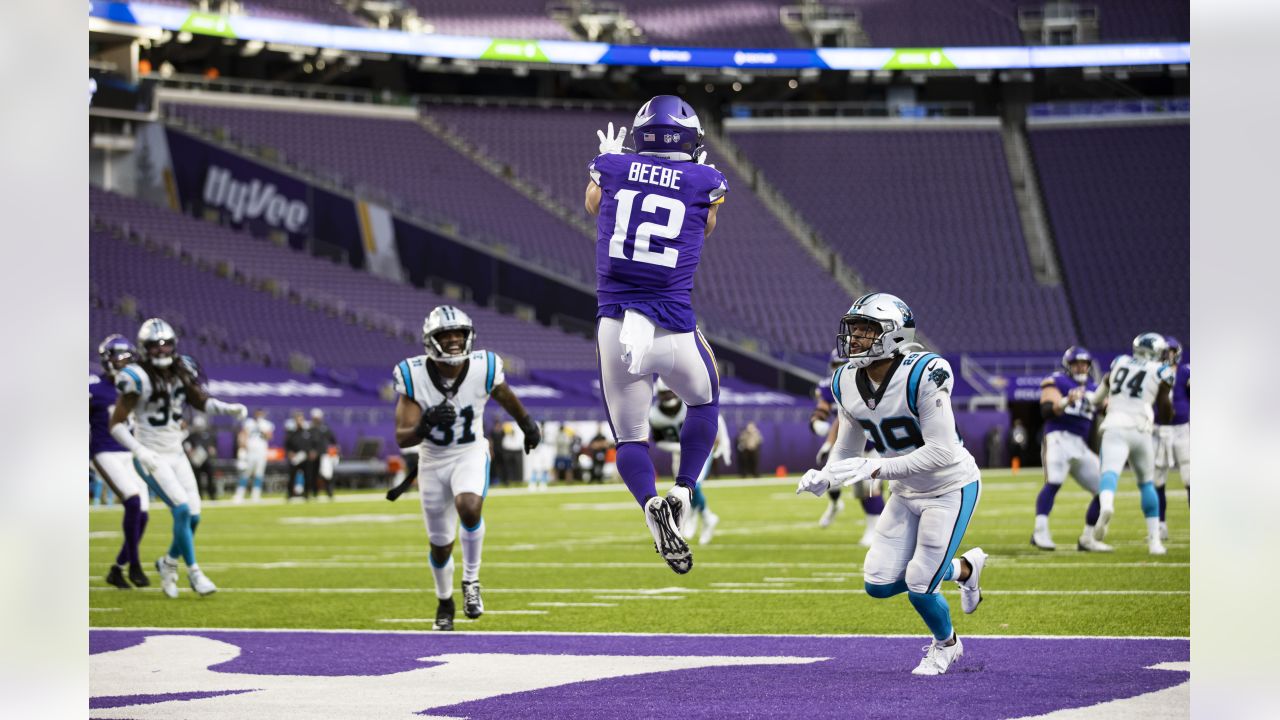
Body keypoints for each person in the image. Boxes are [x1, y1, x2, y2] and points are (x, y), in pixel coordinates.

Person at [796, 293, 986, 676]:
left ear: (895, 335)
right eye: (853, 329)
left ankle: (946, 645)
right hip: (906, 490)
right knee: (878, 583)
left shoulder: (925, 372)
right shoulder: (845, 380)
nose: (855, 339)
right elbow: (848, 447)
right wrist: (827, 477)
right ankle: (965, 569)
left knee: (919, 582)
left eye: (867, 330)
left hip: (949, 486)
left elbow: (942, 452)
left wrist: (876, 469)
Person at [585, 94, 728, 575]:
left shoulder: (611, 166)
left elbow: (593, 204)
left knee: (630, 437)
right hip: (673, 324)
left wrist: (605, 167)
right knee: (704, 401)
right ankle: (684, 489)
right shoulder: (704, 180)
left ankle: (648, 503)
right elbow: (704, 226)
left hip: (617, 325)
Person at [392, 305, 541, 631]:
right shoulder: (412, 374)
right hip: (432, 461)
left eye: (459, 333)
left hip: (470, 452)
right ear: (432, 341)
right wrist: (424, 424)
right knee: (441, 545)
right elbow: (402, 438)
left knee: (469, 506)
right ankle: (445, 601)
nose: (455, 340)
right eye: (447, 335)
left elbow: (504, 394)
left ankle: (471, 581)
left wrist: (527, 423)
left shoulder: (483, 366)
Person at [108, 318, 247, 598]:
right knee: (181, 511)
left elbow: (199, 399)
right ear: (144, 349)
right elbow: (116, 424)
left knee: (194, 517)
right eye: (155, 346)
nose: (161, 351)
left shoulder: (182, 368)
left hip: (177, 454)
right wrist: (139, 450)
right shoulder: (137, 376)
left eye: (166, 345)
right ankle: (194, 572)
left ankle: (168, 563)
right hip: (152, 456)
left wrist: (226, 408)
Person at [1086, 332, 1175, 554]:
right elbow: (1165, 412)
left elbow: (1097, 398)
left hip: (1114, 425)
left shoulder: (1120, 362)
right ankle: (1154, 542)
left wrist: (1094, 401)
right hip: (1141, 429)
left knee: (1109, 474)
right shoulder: (1161, 371)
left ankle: (1106, 506)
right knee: (1146, 483)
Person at [1031, 346, 1111, 552]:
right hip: (1058, 437)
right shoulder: (1057, 380)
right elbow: (1047, 410)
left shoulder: (1094, 388)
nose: (1081, 367)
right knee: (1054, 481)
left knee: (1104, 490)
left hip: (1080, 444)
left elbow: (1107, 408)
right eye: (1077, 363)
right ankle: (1040, 531)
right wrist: (1067, 400)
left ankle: (1087, 538)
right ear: (1068, 365)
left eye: (1084, 364)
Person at [91, 334, 152, 589]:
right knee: (133, 501)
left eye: (129, 358)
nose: (125, 363)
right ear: (107, 360)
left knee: (144, 515)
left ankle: (117, 569)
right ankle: (135, 566)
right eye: (120, 358)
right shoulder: (93, 389)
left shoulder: (134, 387)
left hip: (130, 453)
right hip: (104, 451)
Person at [813, 349, 885, 545]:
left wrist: (829, 442)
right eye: (836, 366)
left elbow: (847, 418)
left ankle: (875, 530)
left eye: (843, 365)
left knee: (868, 487)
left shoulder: (867, 383)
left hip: (874, 442)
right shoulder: (830, 386)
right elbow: (831, 414)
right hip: (848, 442)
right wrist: (818, 426)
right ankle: (835, 504)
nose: (840, 371)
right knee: (829, 478)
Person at [650, 379, 727, 545]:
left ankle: (696, 516)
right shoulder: (655, 415)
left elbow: (715, 417)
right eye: (664, 394)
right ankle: (706, 517)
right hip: (680, 454)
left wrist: (724, 440)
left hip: (700, 448)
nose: (668, 397)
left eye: (670, 393)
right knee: (683, 488)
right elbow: (659, 441)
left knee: (693, 485)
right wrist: (677, 447)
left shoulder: (688, 405)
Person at [1152, 336, 1190, 541]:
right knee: (1158, 479)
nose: (1168, 355)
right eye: (1164, 352)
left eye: (1171, 351)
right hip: (1159, 429)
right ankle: (1160, 525)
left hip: (1182, 429)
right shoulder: (1152, 372)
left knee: (1190, 477)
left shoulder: (1186, 372)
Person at [234, 409, 273, 503]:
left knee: (259, 473)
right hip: (250, 451)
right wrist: (242, 447)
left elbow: (269, 437)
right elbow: (243, 435)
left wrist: (262, 430)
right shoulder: (249, 423)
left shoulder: (266, 424)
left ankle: (256, 494)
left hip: (261, 451)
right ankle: (239, 494)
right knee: (246, 472)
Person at [184, 414, 219, 501]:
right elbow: (186, 444)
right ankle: (199, 495)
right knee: (197, 478)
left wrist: (212, 449)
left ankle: (212, 495)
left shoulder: (208, 435)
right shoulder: (191, 436)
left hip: (207, 460)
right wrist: (189, 450)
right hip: (196, 461)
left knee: (211, 477)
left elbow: (213, 445)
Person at [284, 411, 312, 500]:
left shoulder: (307, 431)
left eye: (301, 419)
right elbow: (287, 444)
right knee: (292, 476)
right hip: (295, 457)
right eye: (298, 419)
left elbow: (311, 443)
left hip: (305, 457)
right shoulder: (291, 432)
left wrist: (309, 452)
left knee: (307, 476)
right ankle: (290, 494)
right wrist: (289, 452)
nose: (299, 421)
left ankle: (306, 493)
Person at [310, 408, 337, 499]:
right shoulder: (310, 428)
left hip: (324, 454)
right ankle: (315, 493)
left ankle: (329, 492)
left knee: (327, 474)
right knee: (314, 474)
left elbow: (333, 440)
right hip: (314, 455)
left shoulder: (325, 428)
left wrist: (334, 450)